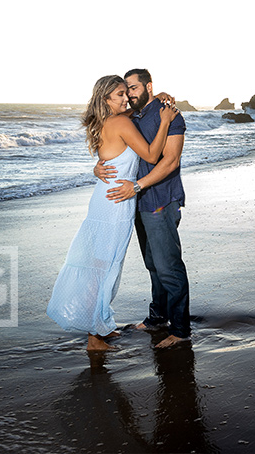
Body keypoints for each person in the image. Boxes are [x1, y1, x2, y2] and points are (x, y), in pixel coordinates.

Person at [47, 75, 177, 352]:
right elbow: (152, 156)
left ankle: (101, 326)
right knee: (105, 268)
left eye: (126, 93)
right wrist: (165, 121)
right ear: (106, 98)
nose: (125, 98)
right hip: (116, 203)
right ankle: (95, 338)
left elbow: (117, 142)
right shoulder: (120, 122)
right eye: (119, 94)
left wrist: (157, 97)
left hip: (106, 200)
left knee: (100, 265)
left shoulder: (106, 120)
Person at [95, 68, 190, 350]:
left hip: (160, 199)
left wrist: (137, 185)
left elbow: (170, 161)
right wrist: (97, 166)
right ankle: (157, 318)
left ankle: (181, 329)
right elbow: (112, 143)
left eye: (134, 88)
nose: (129, 94)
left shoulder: (170, 114)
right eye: (125, 89)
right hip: (138, 203)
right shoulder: (131, 116)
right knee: (152, 264)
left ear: (148, 86)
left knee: (169, 267)